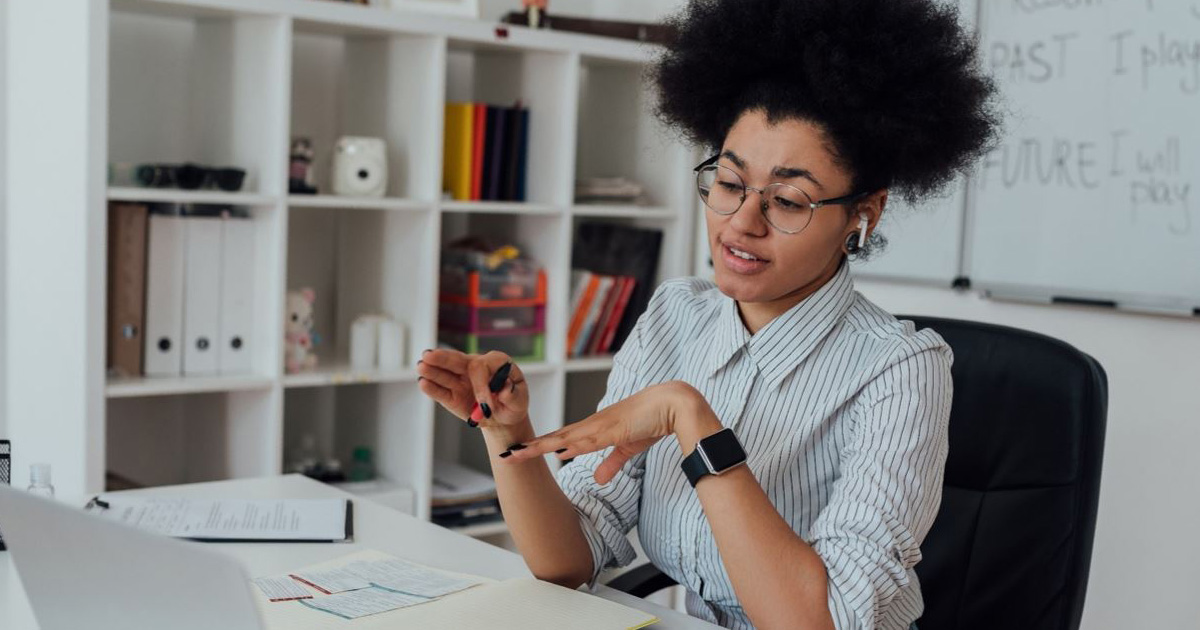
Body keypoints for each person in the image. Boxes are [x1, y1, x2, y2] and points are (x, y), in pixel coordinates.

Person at [417, 0, 998, 627]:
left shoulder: (902, 370)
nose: (742, 223)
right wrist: (507, 430)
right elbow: (569, 560)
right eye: (728, 183)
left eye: (789, 200)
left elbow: (821, 621)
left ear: (865, 213)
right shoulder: (676, 315)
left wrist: (690, 419)